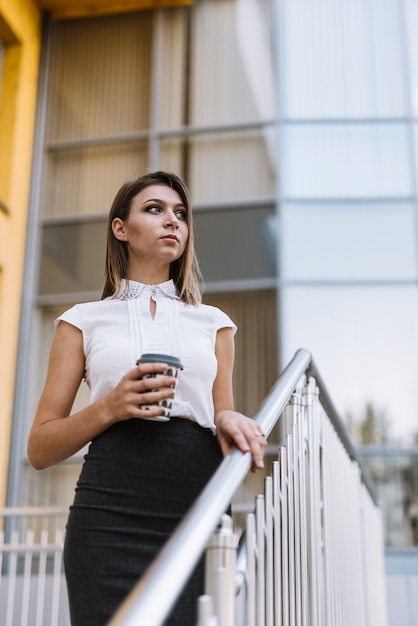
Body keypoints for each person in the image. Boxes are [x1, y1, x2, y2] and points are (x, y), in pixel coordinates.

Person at [27, 170, 267, 626]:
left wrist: (230, 419)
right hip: (107, 515)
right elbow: (39, 449)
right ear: (121, 228)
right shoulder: (81, 322)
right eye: (154, 210)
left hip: (196, 506)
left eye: (180, 214)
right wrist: (110, 407)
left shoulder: (214, 323)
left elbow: (220, 413)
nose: (172, 221)